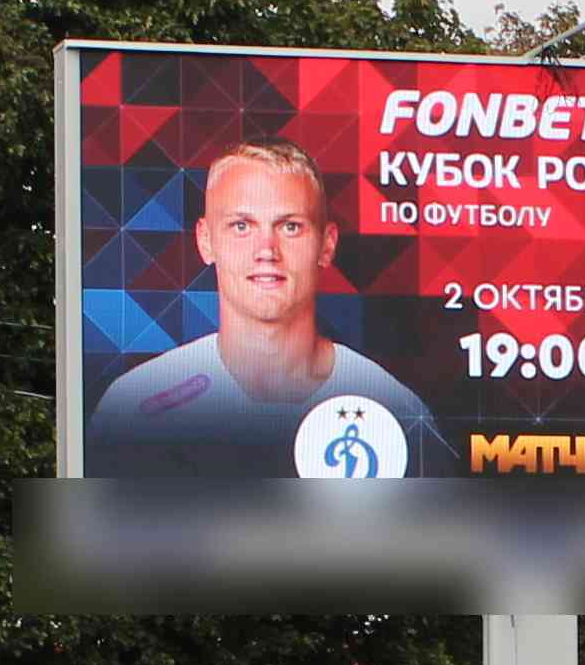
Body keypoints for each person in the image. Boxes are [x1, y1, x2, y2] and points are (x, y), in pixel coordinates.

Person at [85, 141, 455, 479]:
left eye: (290, 226)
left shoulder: (399, 411)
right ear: (206, 240)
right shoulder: (133, 409)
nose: (267, 249)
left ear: (326, 245)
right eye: (241, 225)